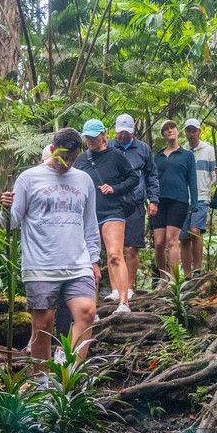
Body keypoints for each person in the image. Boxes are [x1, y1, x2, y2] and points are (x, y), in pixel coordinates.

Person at [0, 127, 101, 379]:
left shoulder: (84, 180)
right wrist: (5, 208)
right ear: (53, 150)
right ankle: (41, 381)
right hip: (40, 264)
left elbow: (90, 224)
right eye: (63, 157)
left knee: (87, 312)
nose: (67, 164)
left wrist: (94, 260)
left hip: (78, 263)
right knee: (43, 326)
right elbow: (11, 223)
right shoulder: (29, 178)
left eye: (73, 159)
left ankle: (69, 376)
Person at [74, 118, 140, 313]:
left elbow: (133, 178)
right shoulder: (81, 160)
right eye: (87, 137)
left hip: (112, 210)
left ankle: (124, 303)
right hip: (88, 214)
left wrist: (115, 188)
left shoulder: (115, 155)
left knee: (114, 255)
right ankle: (91, 309)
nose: (90, 141)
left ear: (103, 135)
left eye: (94, 137)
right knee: (89, 260)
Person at [108, 113, 159, 299]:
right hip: (113, 203)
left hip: (135, 203)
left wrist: (154, 200)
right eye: (120, 132)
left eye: (127, 132)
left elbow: (152, 175)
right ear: (115, 130)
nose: (123, 136)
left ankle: (128, 288)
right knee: (113, 249)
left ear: (133, 131)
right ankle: (115, 289)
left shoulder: (143, 149)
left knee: (131, 247)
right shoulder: (109, 147)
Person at [152, 119, 198, 282]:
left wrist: (194, 203)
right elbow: (152, 179)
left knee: (172, 240)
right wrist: (150, 199)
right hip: (159, 202)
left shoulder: (187, 155)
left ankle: (174, 280)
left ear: (178, 132)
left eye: (172, 128)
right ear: (163, 135)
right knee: (159, 243)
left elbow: (192, 180)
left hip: (178, 200)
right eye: (166, 129)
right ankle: (163, 279)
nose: (170, 130)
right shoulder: (157, 157)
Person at [179, 118, 217, 276]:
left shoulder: (209, 150)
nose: (191, 134)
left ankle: (197, 270)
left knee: (195, 231)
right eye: (188, 131)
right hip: (183, 198)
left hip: (201, 197)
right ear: (185, 132)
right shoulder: (181, 150)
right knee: (184, 238)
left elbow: (214, 177)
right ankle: (187, 275)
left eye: (194, 130)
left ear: (199, 131)